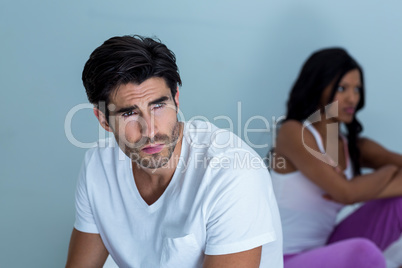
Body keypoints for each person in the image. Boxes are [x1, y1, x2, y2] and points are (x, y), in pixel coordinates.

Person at [65, 35, 283, 268]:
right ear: (103, 120)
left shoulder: (232, 172)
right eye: (129, 113)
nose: (150, 130)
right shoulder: (98, 166)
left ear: (176, 100)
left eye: (159, 106)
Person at [270, 48, 402, 268]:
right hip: (282, 259)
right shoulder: (293, 133)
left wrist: (366, 186)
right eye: (342, 88)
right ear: (318, 87)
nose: (352, 98)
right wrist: (388, 172)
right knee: (363, 252)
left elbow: (350, 192)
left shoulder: (355, 146)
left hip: (327, 249)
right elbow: (346, 193)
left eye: (357, 89)